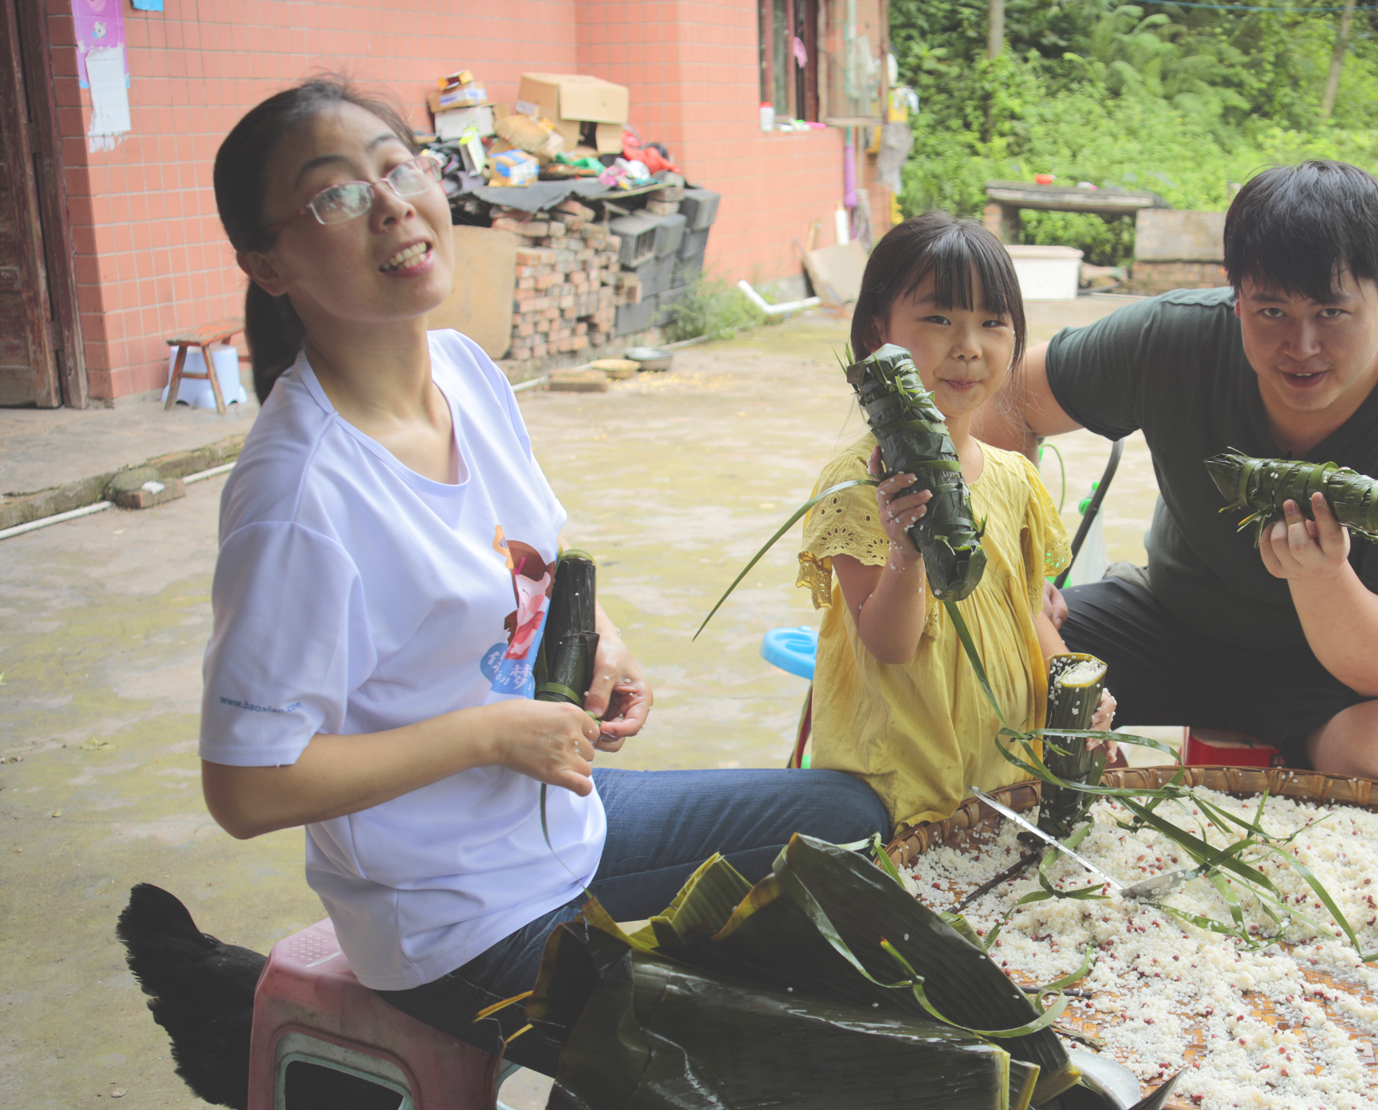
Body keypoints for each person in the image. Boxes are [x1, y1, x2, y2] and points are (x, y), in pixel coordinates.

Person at [197, 78, 888, 1076]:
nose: (391, 203)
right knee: (755, 1067)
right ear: (269, 264)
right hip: (452, 923)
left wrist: (604, 639)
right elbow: (247, 786)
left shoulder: (465, 373)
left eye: (398, 166)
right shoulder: (300, 496)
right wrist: (488, 734)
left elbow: (538, 556)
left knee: (849, 823)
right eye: (336, 195)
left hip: (569, 831)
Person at [979, 160, 1378, 792]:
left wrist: (1324, 578)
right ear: (1235, 290)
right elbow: (1002, 403)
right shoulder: (1171, 338)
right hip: (1166, 618)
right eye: (1271, 311)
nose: (1301, 346)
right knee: (977, 661)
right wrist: (1026, 575)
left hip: (1322, 669)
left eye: (1331, 313)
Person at [796, 212, 1115, 832]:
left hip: (1003, 763)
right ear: (875, 337)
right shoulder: (860, 484)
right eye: (939, 319)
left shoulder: (1014, 477)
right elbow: (887, 644)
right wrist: (906, 552)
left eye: (992, 323)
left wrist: (1076, 694)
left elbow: (1024, 609)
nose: (969, 346)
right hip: (901, 773)